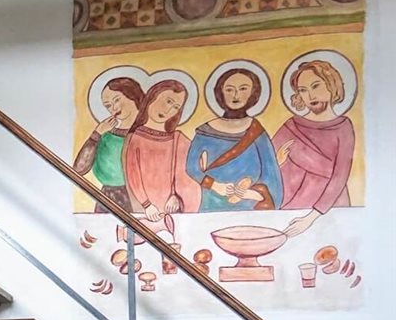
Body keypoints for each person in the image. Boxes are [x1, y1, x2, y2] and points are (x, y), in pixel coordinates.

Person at [272, 59, 356, 237]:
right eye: (303, 90)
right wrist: (276, 163)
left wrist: (310, 218)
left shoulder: (343, 127)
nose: (311, 96)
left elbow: (340, 177)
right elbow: (265, 167)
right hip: (291, 210)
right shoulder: (290, 127)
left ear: (331, 85)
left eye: (316, 86)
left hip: (329, 210)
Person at [186, 67, 283, 211]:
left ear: (253, 93)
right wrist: (215, 185)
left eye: (243, 89)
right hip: (212, 203)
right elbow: (192, 167)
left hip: (250, 207)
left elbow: (270, 174)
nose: (235, 95)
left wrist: (249, 193)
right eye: (229, 89)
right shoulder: (205, 131)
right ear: (220, 92)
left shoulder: (256, 130)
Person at [123, 79, 201, 239]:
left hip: (172, 208)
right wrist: (146, 205)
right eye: (168, 101)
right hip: (146, 208)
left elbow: (187, 171)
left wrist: (176, 195)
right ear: (153, 97)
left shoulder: (177, 139)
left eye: (176, 107)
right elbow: (133, 175)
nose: (168, 109)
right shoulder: (136, 137)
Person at [74, 77, 144, 214]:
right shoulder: (105, 136)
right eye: (108, 106)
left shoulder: (148, 134)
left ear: (133, 95)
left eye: (116, 100)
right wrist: (97, 134)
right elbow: (79, 169)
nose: (114, 108)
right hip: (109, 198)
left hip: (142, 198)